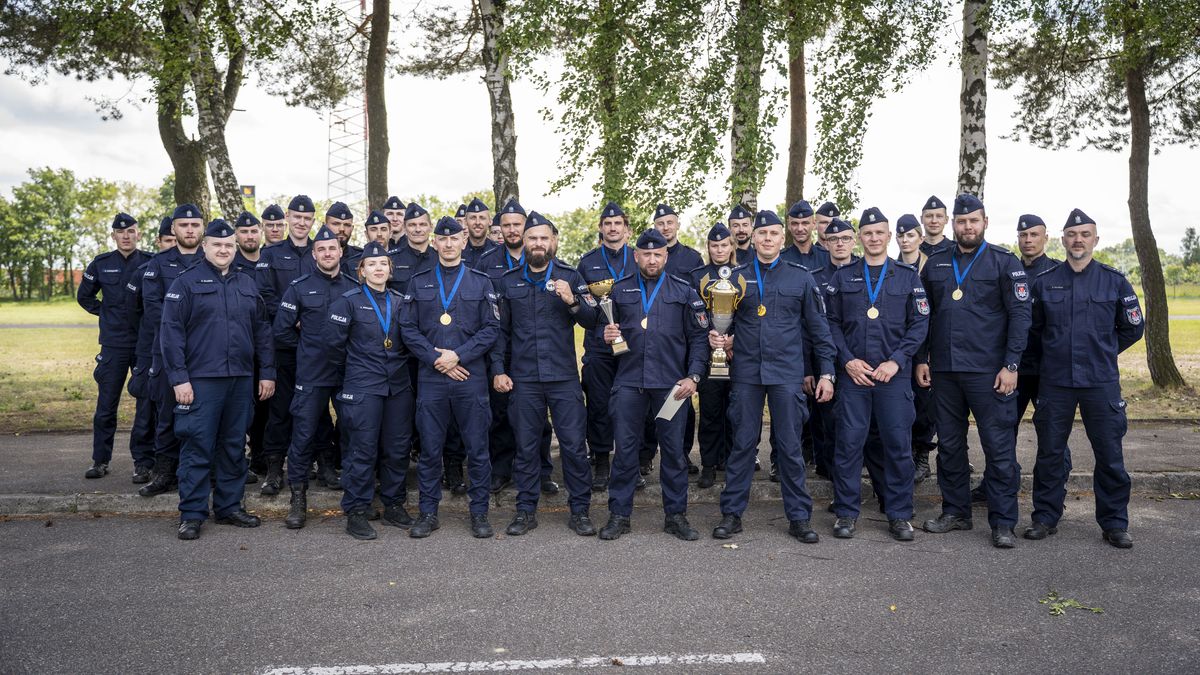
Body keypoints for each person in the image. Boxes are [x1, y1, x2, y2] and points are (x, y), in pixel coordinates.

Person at [712, 209, 837, 543]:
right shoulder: (735, 278)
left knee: (790, 447)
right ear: (753, 238)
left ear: (783, 239)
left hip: (786, 373)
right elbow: (724, 322)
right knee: (742, 444)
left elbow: (819, 330)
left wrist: (827, 373)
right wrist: (721, 338)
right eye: (762, 234)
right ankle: (732, 514)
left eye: (773, 234)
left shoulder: (801, 277)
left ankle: (799, 517)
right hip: (747, 372)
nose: (767, 239)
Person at [917, 194, 1031, 549]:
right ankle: (956, 511)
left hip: (989, 373)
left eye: (974, 221)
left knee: (998, 447)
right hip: (945, 372)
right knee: (950, 446)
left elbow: (1021, 316)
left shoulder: (1004, 262)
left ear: (985, 222)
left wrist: (1011, 365)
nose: (967, 227)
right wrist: (921, 358)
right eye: (962, 221)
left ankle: (1003, 522)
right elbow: (923, 315)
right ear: (953, 224)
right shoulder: (935, 263)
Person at [1026, 209, 1144, 548]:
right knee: (1049, 453)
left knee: (1109, 454)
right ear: (1063, 240)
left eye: (1085, 234)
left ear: (1095, 240)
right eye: (1072, 235)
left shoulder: (1114, 281)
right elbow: (1033, 329)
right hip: (1056, 381)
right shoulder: (1044, 282)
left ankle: (1114, 523)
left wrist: (1103, 350)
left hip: (1099, 381)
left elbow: (1133, 326)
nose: (1078, 240)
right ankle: (1045, 516)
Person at [160, 218, 275, 540]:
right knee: (197, 446)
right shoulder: (185, 283)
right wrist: (179, 379)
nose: (223, 250)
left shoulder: (246, 283)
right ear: (205, 246)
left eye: (228, 245)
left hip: (240, 378)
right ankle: (192, 513)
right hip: (201, 380)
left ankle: (229, 506)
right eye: (217, 245)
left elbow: (262, 331)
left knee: (234, 446)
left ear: (235, 248)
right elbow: (170, 333)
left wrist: (267, 372)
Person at [492, 211, 601, 536]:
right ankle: (526, 511)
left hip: (563, 378)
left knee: (573, 446)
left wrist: (572, 301)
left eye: (544, 238)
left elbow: (592, 320)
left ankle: (580, 511)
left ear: (553, 241)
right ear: (524, 241)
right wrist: (498, 370)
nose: (538, 243)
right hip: (524, 378)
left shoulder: (570, 276)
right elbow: (500, 332)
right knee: (526, 447)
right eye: (532, 238)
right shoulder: (508, 281)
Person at [825, 207, 929, 541]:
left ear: (889, 236)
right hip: (854, 377)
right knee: (848, 445)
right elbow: (831, 324)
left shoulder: (907, 276)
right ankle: (846, 513)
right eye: (867, 233)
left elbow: (920, 323)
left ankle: (899, 515)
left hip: (892, 377)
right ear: (860, 237)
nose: (873, 238)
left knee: (898, 446)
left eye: (879, 233)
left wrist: (897, 361)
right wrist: (847, 361)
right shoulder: (843, 277)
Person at [598, 228, 708, 541]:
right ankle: (619, 516)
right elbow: (607, 335)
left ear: (666, 256)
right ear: (636, 256)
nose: (651, 259)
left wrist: (693, 376)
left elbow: (699, 338)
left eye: (657, 254)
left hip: (671, 387)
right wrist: (607, 336)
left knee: (673, 453)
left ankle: (676, 516)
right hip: (629, 383)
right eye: (645, 254)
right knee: (625, 452)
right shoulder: (619, 290)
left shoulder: (684, 291)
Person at [399, 216, 500, 539]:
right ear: (435, 243)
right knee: (430, 450)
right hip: (432, 378)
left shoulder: (480, 282)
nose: (448, 244)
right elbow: (407, 328)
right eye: (442, 239)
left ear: (464, 241)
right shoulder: (419, 281)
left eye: (454, 238)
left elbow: (491, 329)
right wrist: (436, 358)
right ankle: (428, 513)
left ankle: (479, 513)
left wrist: (458, 355)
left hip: (470, 375)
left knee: (477, 449)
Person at [327, 241, 416, 540]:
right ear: (362, 271)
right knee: (361, 450)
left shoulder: (402, 302)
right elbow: (333, 348)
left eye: (383, 264)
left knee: (397, 449)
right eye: (371, 264)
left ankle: (393, 504)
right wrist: (353, 377)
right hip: (363, 386)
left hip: (398, 387)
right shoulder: (348, 301)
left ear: (390, 270)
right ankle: (357, 509)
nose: (378, 269)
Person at [276, 225, 357, 528]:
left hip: (348, 372)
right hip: (312, 372)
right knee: (303, 435)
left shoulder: (354, 286)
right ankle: (298, 500)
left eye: (332, 248)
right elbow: (281, 330)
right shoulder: (299, 287)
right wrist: (306, 348)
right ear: (314, 254)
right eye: (321, 249)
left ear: (340, 251)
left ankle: (357, 500)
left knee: (353, 433)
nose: (327, 253)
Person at [475, 199, 555, 494]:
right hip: (499, 345)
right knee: (500, 412)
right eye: (506, 225)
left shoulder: (540, 256)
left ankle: (543, 471)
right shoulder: (487, 261)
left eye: (516, 224)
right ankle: (502, 469)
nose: (511, 230)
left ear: (526, 227)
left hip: (533, 349)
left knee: (538, 414)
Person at [78, 212, 154, 480]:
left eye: (131, 231)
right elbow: (84, 297)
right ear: (113, 236)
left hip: (143, 343)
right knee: (106, 405)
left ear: (138, 234)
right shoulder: (101, 264)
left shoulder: (151, 262)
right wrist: (106, 314)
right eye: (121, 232)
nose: (126, 236)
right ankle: (100, 460)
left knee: (146, 405)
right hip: (113, 344)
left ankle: (143, 462)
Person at [137, 204, 205, 498]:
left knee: (205, 414)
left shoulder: (212, 260)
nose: (189, 230)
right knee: (167, 414)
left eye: (195, 225)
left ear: (202, 227)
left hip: (205, 353)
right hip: (167, 351)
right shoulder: (158, 264)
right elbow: (154, 310)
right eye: (183, 225)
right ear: (174, 229)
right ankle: (164, 472)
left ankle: (206, 470)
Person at [255, 195, 317, 496]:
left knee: (316, 409)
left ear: (313, 221)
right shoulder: (270, 254)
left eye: (307, 219)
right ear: (288, 218)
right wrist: (294, 317)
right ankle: (274, 468)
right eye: (297, 217)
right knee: (279, 410)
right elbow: (264, 296)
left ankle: (318, 463)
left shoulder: (322, 250)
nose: (302, 223)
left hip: (316, 347)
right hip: (283, 343)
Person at [577, 202, 638, 491]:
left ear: (627, 229)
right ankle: (601, 461)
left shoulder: (638, 258)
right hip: (599, 346)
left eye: (618, 224)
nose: (613, 228)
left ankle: (631, 464)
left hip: (633, 346)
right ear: (600, 228)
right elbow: (584, 309)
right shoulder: (587, 262)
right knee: (599, 404)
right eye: (607, 224)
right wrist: (602, 329)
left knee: (632, 406)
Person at [650, 202, 704, 474]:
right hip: (652, 337)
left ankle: (682, 454)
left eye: (669, 222)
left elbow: (700, 298)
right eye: (660, 224)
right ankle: (647, 455)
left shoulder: (692, 258)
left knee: (682, 399)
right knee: (648, 403)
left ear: (677, 225)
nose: (665, 227)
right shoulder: (647, 254)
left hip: (681, 340)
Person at [689, 223, 738, 488]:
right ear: (708, 247)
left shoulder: (743, 275)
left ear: (732, 246)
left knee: (736, 411)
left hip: (739, 355)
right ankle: (708, 465)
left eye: (724, 245)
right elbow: (693, 313)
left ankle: (731, 462)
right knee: (710, 411)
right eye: (714, 245)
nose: (719, 250)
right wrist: (711, 335)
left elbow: (750, 313)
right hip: (708, 353)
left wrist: (734, 340)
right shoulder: (697, 276)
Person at [895, 213, 936, 483]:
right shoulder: (891, 267)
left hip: (927, 347)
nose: (905, 240)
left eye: (910, 235)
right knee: (902, 405)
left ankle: (922, 454)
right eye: (901, 235)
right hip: (900, 348)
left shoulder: (932, 268)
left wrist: (928, 354)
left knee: (924, 405)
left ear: (921, 238)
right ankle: (905, 452)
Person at [781, 200, 831, 271]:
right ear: (789, 226)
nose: (800, 229)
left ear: (814, 224)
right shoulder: (780, 259)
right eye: (795, 223)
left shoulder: (828, 257)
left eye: (805, 223)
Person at [462, 197, 499, 267]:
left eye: (482, 218)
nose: (477, 222)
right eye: (473, 218)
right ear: (465, 221)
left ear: (490, 221)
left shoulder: (499, 251)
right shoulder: (457, 250)